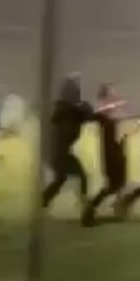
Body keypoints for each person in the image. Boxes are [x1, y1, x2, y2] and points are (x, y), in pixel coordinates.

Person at [42, 74, 94, 210]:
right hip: (59, 152)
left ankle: (43, 202)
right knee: (68, 177)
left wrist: (82, 107)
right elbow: (81, 112)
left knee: (63, 178)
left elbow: (88, 115)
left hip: (62, 151)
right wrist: (80, 107)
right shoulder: (64, 109)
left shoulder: (71, 109)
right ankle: (84, 204)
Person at [81, 83, 129, 226]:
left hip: (117, 151)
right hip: (110, 154)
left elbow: (121, 130)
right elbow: (93, 115)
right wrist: (113, 107)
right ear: (105, 96)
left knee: (118, 184)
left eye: (113, 94)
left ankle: (105, 209)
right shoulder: (102, 114)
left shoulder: (111, 114)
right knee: (113, 185)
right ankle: (89, 211)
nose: (114, 96)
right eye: (110, 94)